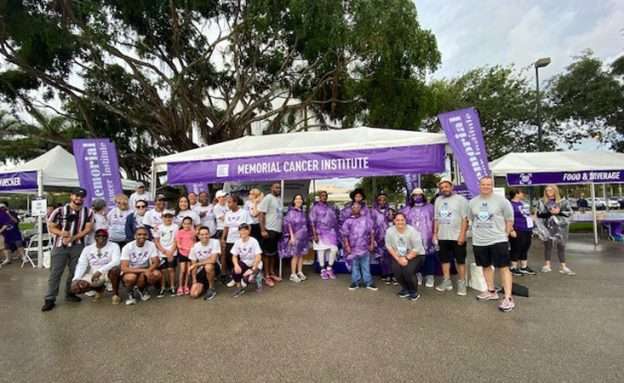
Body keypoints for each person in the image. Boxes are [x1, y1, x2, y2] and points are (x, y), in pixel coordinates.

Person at [41, 188, 94, 312]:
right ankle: (50, 299)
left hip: (78, 245)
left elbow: (87, 229)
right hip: (60, 246)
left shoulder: (88, 212)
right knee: (55, 272)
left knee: (74, 271)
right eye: (76, 196)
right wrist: (62, 233)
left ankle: (70, 293)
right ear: (71, 196)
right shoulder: (59, 211)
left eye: (81, 196)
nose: (79, 198)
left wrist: (73, 238)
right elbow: (51, 227)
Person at [468, 176, 516, 312]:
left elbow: (509, 219)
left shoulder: (502, 201)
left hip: (498, 239)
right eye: (483, 184)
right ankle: (491, 291)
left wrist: (505, 235)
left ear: (492, 185)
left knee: (504, 268)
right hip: (479, 241)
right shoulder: (472, 202)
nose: (486, 187)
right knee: (486, 266)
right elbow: (471, 219)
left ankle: (508, 298)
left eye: (488, 184)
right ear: (479, 185)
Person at [433, 179, 469, 295]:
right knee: (444, 260)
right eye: (442, 188)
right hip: (443, 236)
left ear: (451, 187)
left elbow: (465, 219)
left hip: (457, 236)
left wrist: (462, 235)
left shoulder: (461, 200)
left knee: (460, 261)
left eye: (446, 187)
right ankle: (446, 281)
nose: (444, 189)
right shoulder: (438, 200)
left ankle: (462, 283)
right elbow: (436, 219)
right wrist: (435, 233)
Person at [70, 228, 121, 304]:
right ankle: (99, 289)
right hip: (93, 273)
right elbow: (81, 264)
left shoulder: (114, 246)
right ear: (95, 237)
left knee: (115, 270)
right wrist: (76, 278)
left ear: (107, 237)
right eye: (99, 236)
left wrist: (100, 271)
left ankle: (115, 295)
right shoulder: (87, 249)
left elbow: (116, 261)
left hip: (108, 272)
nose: (101, 237)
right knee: (76, 287)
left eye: (104, 236)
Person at [385, 212, 426, 301]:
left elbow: (417, 248)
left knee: (408, 271)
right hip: (399, 255)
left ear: (405, 221)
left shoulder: (412, 231)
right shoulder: (389, 231)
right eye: (397, 220)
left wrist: (406, 258)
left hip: (417, 255)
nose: (400, 222)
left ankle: (413, 292)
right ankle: (406, 289)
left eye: (402, 220)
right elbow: (389, 246)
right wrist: (398, 259)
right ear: (394, 221)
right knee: (396, 270)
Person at [536, 184, 575, 275]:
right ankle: (547, 265)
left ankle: (563, 266)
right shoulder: (542, 201)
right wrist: (550, 213)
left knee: (561, 245)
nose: (548, 192)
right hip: (547, 226)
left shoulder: (563, 201)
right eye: (546, 190)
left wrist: (559, 212)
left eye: (550, 190)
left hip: (561, 226)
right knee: (548, 245)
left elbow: (570, 213)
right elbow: (539, 214)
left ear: (555, 191)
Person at [401, 188, 436, 289]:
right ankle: (418, 275)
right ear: (411, 197)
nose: (417, 197)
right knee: (415, 258)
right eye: (415, 195)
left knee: (429, 257)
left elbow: (435, 221)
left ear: (423, 196)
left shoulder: (430, 207)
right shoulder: (407, 209)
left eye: (419, 195)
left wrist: (435, 234)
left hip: (427, 237)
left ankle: (430, 276)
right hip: (412, 238)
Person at [120, 227, 161, 305]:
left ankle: (141, 289)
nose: (142, 236)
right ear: (135, 236)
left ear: (147, 236)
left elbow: (156, 262)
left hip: (145, 269)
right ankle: (130, 293)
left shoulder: (151, 245)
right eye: (139, 234)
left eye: (144, 234)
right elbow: (124, 268)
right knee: (130, 278)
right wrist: (144, 271)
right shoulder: (127, 247)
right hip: (131, 270)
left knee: (157, 274)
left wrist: (147, 270)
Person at [341, 202, 377, 291]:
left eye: (358, 207)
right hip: (353, 248)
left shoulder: (366, 220)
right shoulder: (348, 221)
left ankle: (368, 282)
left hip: (365, 247)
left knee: (366, 266)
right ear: (351, 209)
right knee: (355, 266)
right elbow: (345, 235)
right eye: (354, 207)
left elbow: (372, 232)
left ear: (361, 209)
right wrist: (347, 246)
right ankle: (355, 282)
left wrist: (372, 243)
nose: (356, 209)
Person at [221, 195, 254, 287]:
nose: (228, 204)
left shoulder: (244, 212)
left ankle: (242, 278)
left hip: (240, 240)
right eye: (228, 202)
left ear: (236, 202)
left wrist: (247, 238)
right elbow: (226, 227)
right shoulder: (228, 214)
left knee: (241, 260)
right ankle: (234, 277)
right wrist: (223, 238)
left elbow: (249, 226)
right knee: (230, 259)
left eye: (230, 202)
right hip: (230, 240)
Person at [279, 194, 310, 283]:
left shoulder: (302, 212)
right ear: (294, 201)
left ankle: (300, 272)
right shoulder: (291, 212)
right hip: (295, 237)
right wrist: (291, 236)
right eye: (297, 199)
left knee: (301, 255)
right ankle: (293, 274)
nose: (298, 200)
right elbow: (288, 224)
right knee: (295, 255)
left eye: (300, 199)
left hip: (303, 237)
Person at [258, 182, 283, 286]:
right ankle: (266, 275)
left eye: (279, 188)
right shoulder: (268, 198)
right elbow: (261, 214)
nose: (278, 189)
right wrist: (263, 230)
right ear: (271, 188)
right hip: (269, 229)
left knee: (273, 254)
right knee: (267, 254)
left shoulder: (279, 199)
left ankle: (272, 273)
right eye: (276, 187)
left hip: (277, 230)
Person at [309, 191, 339, 280]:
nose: (324, 197)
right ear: (319, 197)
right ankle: (322, 270)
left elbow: (334, 219)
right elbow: (312, 222)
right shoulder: (315, 208)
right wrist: (314, 234)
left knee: (334, 249)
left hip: (330, 232)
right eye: (322, 196)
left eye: (326, 196)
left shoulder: (330, 207)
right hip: (319, 232)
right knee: (321, 251)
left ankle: (329, 268)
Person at [508, 188, 536, 276]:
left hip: (527, 228)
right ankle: (513, 267)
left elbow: (526, 215)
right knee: (516, 248)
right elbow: (507, 218)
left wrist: (533, 216)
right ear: (516, 194)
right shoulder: (510, 205)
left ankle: (524, 267)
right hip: (517, 229)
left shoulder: (523, 203)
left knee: (525, 247)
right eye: (521, 192)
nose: (523, 194)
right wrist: (511, 230)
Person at [231, 223, 264, 297]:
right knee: (235, 271)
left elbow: (258, 256)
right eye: (241, 230)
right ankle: (239, 288)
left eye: (245, 230)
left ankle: (257, 279)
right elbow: (234, 256)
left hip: (255, 263)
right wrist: (236, 265)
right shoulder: (237, 242)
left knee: (248, 279)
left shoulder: (253, 241)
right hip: (245, 262)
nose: (243, 232)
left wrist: (253, 269)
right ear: (239, 232)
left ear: (249, 231)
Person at [188, 226, 220, 300]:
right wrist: (194, 280)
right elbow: (193, 265)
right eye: (202, 234)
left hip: (214, 267)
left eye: (206, 234)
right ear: (198, 236)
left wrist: (197, 264)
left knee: (208, 266)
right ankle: (205, 284)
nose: (204, 236)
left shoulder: (215, 242)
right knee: (194, 294)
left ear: (209, 234)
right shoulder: (194, 247)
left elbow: (213, 260)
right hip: (201, 270)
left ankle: (211, 288)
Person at [153, 210, 178, 297]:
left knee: (171, 269)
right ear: (162, 218)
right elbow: (156, 241)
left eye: (170, 216)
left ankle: (172, 287)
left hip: (172, 252)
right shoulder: (158, 227)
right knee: (163, 270)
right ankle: (162, 287)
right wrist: (163, 251)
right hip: (161, 252)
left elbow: (176, 240)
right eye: (166, 216)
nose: (168, 218)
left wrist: (170, 252)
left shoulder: (176, 227)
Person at [371, 193, 393, 285]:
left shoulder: (390, 210)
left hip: (390, 237)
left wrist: (391, 217)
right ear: (377, 201)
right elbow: (371, 225)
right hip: (378, 237)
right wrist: (373, 239)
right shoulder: (373, 211)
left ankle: (393, 274)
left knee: (391, 256)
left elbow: (395, 222)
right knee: (382, 257)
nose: (382, 201)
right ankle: (385, 274)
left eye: (384, 199)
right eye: (380, 199)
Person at [175, 216, 196, 295]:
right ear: (182, 224)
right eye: (185, 224)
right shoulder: (179, 232)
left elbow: (194, 242)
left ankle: (186, 286)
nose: (187, 225)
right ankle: (180, 286)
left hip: (190, 253)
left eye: (188, 224)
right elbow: (178, 243)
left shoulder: (193, 232)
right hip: (182, 253)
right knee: (183, 270)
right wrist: (184, 248)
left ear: (191, 224)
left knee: (188, 270)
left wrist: (191, 248)